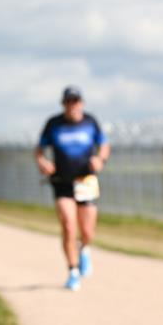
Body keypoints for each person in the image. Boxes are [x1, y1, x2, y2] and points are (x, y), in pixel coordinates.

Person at [35, 86, 110, 291]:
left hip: (85, 180)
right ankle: (72, 271)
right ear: (63, 104)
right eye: (69, 101)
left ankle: (84, 248)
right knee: (69, 225)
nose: (73, 105)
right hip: (61, 181)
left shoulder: (90, 122)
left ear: (82, 103)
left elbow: (104, 145)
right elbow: (39, 149)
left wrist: (100, 159)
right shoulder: (54, 124)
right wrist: (42, 162)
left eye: (76, 101)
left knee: (87, 231)